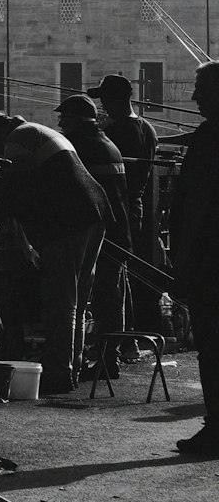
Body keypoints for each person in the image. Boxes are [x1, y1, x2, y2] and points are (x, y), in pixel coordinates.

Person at [0, 110, 109, 396]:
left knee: (60, 299)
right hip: (94, 211)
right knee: (78, 298)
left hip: (68, 220)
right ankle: (71, 366)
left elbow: (14, 188)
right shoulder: (39, 131)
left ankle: (58, 372)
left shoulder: (18, 138)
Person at [54, 94, 132, 378]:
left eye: (65, 119)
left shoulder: (79, 147)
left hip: (99, 230)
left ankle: (102, 360)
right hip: (118, 229)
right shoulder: (107, 143)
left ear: (76, 121)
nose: (61, 125)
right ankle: (109, 357)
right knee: (111, 296)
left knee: (99, 297)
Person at [168, 61, 219, 456]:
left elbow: (198, 206)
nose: (194, 96)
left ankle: (215, 428)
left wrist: (183, 259)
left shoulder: (209, 138)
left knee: (212, 344)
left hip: (209, 259)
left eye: (201, 87)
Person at [89, 74, 159, 329]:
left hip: (114, 209)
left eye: (104, 100)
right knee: (119, 272)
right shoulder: (148, 129)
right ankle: (126, 332)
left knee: (107, 279)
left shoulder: (112, 132)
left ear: (111, 99)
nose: (102, 106)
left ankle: (113, 339)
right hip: (135, 208)